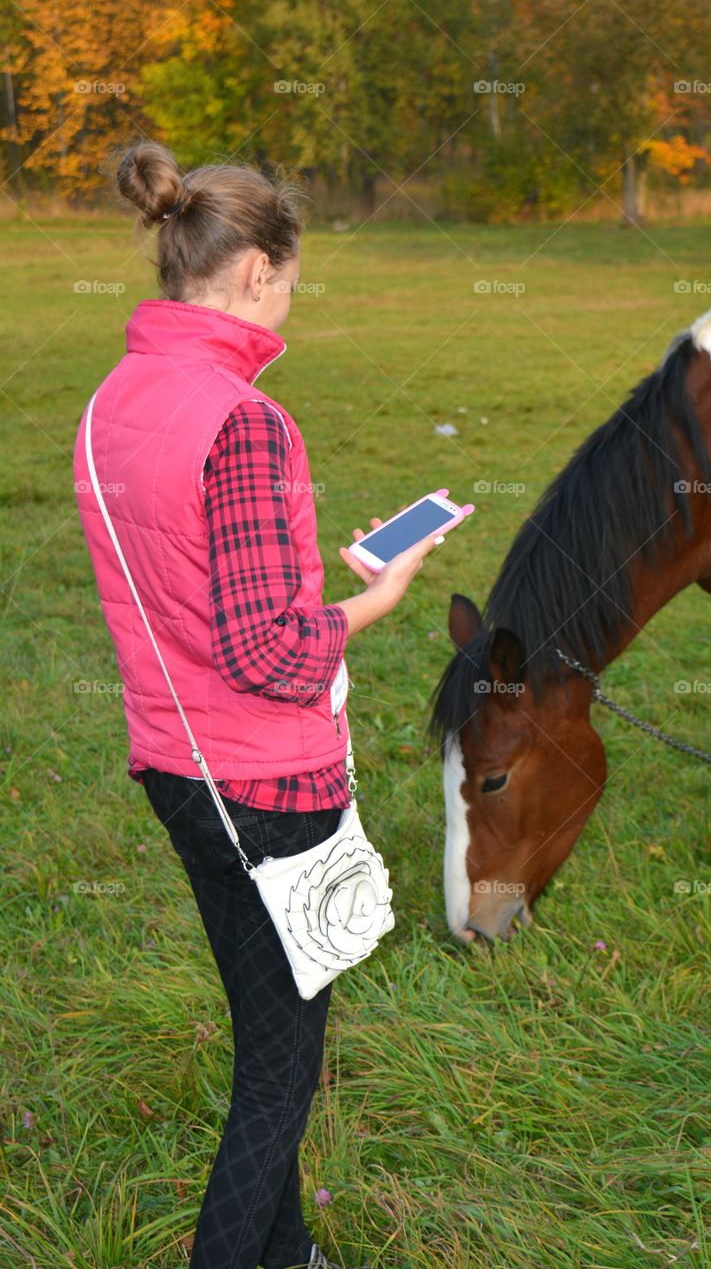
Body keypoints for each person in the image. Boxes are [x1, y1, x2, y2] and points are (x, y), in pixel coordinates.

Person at [72, 139, 438, 1269]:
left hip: (177, 771)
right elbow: (272, 649)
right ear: (253, 273)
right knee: (280, 1078)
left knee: (265, 1036)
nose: (291, 298)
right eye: (290, 276)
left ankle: (289, 1257)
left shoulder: (114, 397)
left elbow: (199, 603)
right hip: (268, 785)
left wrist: (294, 585)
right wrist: (378, 597)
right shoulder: (245, 422)